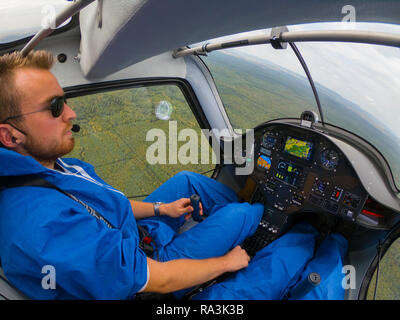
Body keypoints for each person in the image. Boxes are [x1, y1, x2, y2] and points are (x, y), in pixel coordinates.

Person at [0, 50, 348, 300]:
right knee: (267, 246)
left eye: (65, 100)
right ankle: (317, 238)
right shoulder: (40, 227)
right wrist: (225, 262)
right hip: (145, 279)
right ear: (9, 135)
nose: (71, 112)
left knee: (187, 182)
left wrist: (159, 210)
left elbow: (106, 203)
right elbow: (159, 281)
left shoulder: (51, 166)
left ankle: (258, 222)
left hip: (127, 240)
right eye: (55, 106)